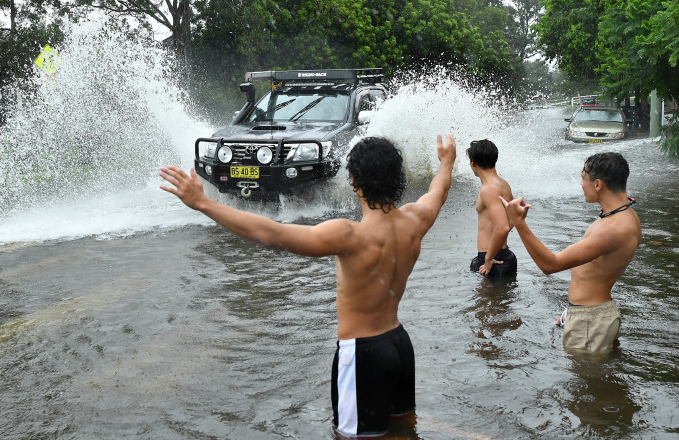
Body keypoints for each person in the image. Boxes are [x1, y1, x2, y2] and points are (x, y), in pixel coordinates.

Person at [160, 134, 457, 437]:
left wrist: (202, 202)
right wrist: (446, 161)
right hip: (399, 345)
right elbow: (439, 190)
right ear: (398, 177)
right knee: (405, 429)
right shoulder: (415, 219)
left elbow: (272, 233)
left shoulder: (349, 235)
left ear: (354, 181)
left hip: (363, 354)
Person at [500, 152, 641, 352]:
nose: (581, 184)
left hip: (590, 320)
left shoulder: (612, 229)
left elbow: (550, 265)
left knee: (586, 379)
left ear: (598, 184)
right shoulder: (627, 215)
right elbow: (595, 270)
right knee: (595, 379)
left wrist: (519, 222)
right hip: (592, 314)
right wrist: (572, 310)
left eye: (583, 177)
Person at [467, 139, 517, 277]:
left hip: (493, 260)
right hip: (500, 256)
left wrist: (488, 258)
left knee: (487, 299)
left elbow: (503, 227)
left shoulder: (488, 189)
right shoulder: (503, 183)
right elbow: (514, 218)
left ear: (472, 162)